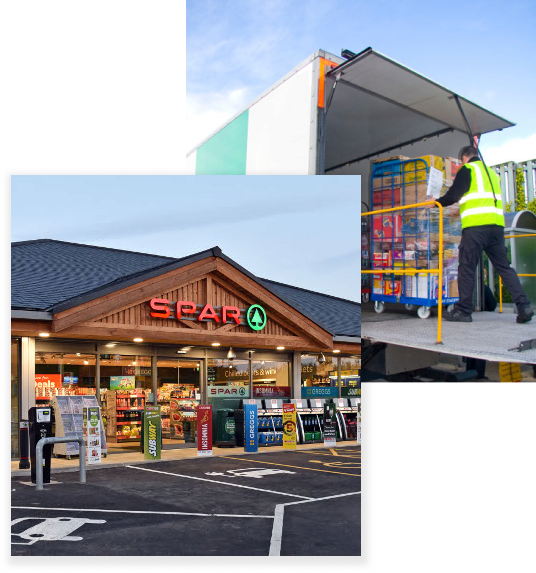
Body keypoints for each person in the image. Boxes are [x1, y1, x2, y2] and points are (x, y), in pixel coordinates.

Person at [428, 146, 533, 323]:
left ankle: (464, 311)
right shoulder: (492, 173)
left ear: (464, 158)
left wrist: (435, 203)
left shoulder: (467, 169)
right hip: (496, 227)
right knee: (504, 268)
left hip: (476, 228)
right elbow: (480, 198)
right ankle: (524, 307)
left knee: (467, 267)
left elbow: (453, 195)